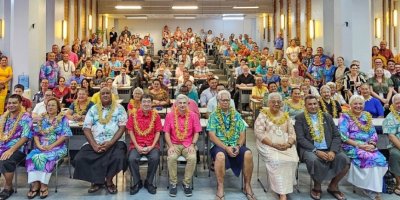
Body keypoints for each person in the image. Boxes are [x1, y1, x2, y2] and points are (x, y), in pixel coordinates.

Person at [73, 87, 128, 194]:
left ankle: (109, 181)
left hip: (115, 141)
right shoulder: (93, 109)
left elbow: (122, 127)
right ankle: (96, 181)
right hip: (95, 141)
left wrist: (111, 143)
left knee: (118, 157)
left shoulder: (120, 108)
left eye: (108, 93)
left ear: (111, 95)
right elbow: (86, 127)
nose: (105, 95)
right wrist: (94, 145)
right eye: (103, 93)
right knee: (80, 158)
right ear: (99, 96)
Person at [295, 95, 350, 200]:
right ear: (305, 106)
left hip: (329, 148)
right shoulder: (300, 118)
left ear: (318, 104)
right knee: (315, 160)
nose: (313, 106)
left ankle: (333, 186)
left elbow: (336, 136)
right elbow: (301, 139)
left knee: (345, 160)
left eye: (315, 103)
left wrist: (333, 151)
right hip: (310, 149)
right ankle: (317, 186)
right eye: (310, 104)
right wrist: (316, 151)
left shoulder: (327, 117)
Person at [207, 90, 255, 200]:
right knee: (220, 156)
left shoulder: (237, 115)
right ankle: (220, 187)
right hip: (219, 145)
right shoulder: (214, 116)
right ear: (218, 101)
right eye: (223, 100)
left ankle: (247, 186)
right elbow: (212, 136)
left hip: (235, 144)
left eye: (227, 100)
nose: (225, 102)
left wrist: (238, 146)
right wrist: (226, 148)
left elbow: (242, 133)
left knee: (248, 153)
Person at [339, 95, 388, 200]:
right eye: (355, 104)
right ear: (350, 105)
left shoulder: (367, 116)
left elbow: (373, 133)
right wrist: (359, 145)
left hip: (368, 145)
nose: (358, 106)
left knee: (381, 159)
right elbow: (343, 136)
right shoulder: (345, 116)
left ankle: (371, 187)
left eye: (360, 104)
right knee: (369, 158)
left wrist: (372, 144)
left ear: (363, 105)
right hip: (352, 145)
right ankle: (369, 189)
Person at [255, 93, 299, 200]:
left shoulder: (285, 115)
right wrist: (274, 144)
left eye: (278, 102)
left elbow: (292, 133)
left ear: (282, 103)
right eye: (273, 102)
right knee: (277, 161)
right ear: (268, 103)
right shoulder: (263, 114)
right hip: (267, 144)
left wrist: (288, 143)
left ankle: (286, 186)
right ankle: (282, 192)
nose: (276, 104)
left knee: (293, 160)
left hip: (285, 145)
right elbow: (259, 133)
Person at [26, 98, 72, 199]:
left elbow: (65, 135)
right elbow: (36, 134)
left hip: (58, 147)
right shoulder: (41, 118)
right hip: (41, 146)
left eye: (53, 105)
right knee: (31, 156)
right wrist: (38, 145)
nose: (50, 107)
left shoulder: (63, 118)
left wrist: (51, 146)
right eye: (49, 105)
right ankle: (36, 184)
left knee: (44, 157)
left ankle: (43, 185)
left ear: (58, 108)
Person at [164, 94, 201, 197]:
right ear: (176, 104)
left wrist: (193, 145)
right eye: (180, 103)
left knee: (193, 158)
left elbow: (197, 132)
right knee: (171, 158)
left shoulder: (193, 115)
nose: (182, 105)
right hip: (174, 144)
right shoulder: (170, 115)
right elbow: (166, 133)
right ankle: (173, 183)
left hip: (188, 144)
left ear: (188, 104)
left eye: (184, 103)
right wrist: (170, 146)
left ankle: (186, 183)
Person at [126, 94, 162, 195]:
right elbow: (130, 131)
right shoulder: (133, 115)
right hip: (136, 144)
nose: (146, 104)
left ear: (151, 103)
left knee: (155, 158)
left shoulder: (156, 115)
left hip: (152, 144)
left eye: (148, 102)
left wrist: (152, 146)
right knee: (131, 159)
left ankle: (149, 182)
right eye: (144, 102)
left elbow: (158, 132)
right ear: (140, 103)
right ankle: (137, 182)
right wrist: (137, 146)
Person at [0, 94, 32, 200]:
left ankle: (8, 187)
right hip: (2, 146)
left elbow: (25, 137)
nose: (11, 105)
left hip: (19, 148)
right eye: (9, 103)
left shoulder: (26, 117)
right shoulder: (3, 117)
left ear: (20, 104)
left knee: (6, 160)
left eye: (14, 103)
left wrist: (11, 150)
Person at [383, 94, 400, 196]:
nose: (399, 105)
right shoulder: (390, 117)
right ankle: (398, 183)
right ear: (393, 104)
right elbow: (391, 136)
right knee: (396, 154)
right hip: (396, 145)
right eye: (397, 103)